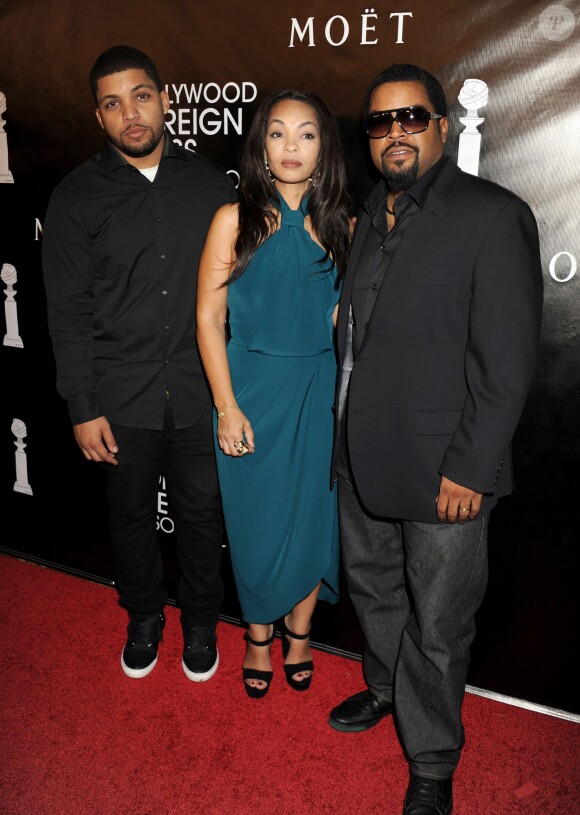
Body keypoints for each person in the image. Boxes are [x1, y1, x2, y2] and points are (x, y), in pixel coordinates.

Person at [328, 64, 543, 814]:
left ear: (443, 128)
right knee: (375, 590)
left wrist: (472, 469)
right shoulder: (368, 216)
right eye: (381, 122)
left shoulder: (493, 214)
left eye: (411, 117)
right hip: (359, 456)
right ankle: (386, 687)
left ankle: (432, 756)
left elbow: (505, 363)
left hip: (444, 470)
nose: (394, 133)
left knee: (441, 622)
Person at [42, 46, 236, 682]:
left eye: (141, 95)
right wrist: (82, 404)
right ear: (98, 117)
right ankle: (145, 614)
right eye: (112, 102)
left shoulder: (212, 186)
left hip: (199, 389)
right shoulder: (74, 199)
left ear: (165, 98)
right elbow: (66, 311)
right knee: (129, 516)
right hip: (119, 396)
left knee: (203, 515)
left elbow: (236, 300)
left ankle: (202, 621)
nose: (130, 113)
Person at [196, 89, 351, 698]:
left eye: (306, 133)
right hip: (250, 392)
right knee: (257, 522)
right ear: (261, 143)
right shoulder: (232, 220)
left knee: (314, 519)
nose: (292, 146)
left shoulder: (344, 223)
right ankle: (258, 635)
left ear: (323, 148)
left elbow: (345, 320)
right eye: (279, 132)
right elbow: (209, 320)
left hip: (317, 393)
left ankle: (302, 633)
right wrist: (226, 406)